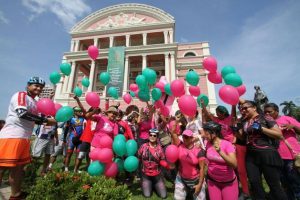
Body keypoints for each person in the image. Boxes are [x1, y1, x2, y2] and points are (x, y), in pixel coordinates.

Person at [0, 77, 56, 199]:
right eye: (36, 85)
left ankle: (15, 195)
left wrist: (47, 119)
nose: (39, 88)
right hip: (11, 137)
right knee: (2, 168)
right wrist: (45, 120)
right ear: (28, 85)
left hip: (24, 138)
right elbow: (22, 113)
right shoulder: (21, 95)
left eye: (41, 87)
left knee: (18, 170)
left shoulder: (35, 102)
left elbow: (39, 116)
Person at [238, 100, 287, 200]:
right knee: (254, 184)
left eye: (245, 108)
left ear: (254, 108)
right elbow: (243, 139)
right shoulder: (244, 121)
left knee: (274, 185)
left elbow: (278, 135)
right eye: (241, 109)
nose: (243, 110)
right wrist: (236, 131)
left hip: (266, 154)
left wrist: (261, 128)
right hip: (251, 156)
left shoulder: (264, 117)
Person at [264, 103, 300, 200]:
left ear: (277, 111)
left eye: (269, 112)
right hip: (276, 157)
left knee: (295, 181)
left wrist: (293, 126)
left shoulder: (286, 118)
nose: (267, 114)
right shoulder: (266, 123)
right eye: (265, 112)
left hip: (291, 156)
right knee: (284, 183)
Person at [203, 121, 238, 200]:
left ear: (214, 133)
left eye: (207, 134)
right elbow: (209, 159)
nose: (205, 136)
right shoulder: (208, 144)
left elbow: (234, 164)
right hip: (212, 181)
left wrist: (220, 152)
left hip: (228, 183)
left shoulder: (227, 144)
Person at [171, 127, 206, 200]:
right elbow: (173, 133)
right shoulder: (180, 145)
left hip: (196, 179)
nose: (184, 139)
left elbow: (202, 169)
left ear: (191, 138)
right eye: (183, 137)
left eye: (186, 137)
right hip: (181, 177)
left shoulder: (199, 151)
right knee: (177, 198)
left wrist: (199, 184)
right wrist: (176, 121)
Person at [137, 128, 168, 199]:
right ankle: (146, 183)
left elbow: (162, 160)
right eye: (151, 135)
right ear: (148, 136)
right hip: (146, 176)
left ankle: (155, 184)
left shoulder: (160, 149)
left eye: (154, 136)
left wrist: (167, 165)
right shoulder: (143, 146)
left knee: (164, 196)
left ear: (157, 137)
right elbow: (138, 158)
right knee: (147, 195)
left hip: (157, 176)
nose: (152, 137)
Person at [64, 107, 85, 172]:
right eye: (79, 111)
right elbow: (66, 129)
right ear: (75, 112)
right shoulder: (70, 119)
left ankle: (76, 169)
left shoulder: (83, 118)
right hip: (72, 138)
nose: (80, 112)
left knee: (78, 155)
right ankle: (66, 169)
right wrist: (64, 138)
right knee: (69, 154)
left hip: (80, 139)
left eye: (80, 111)